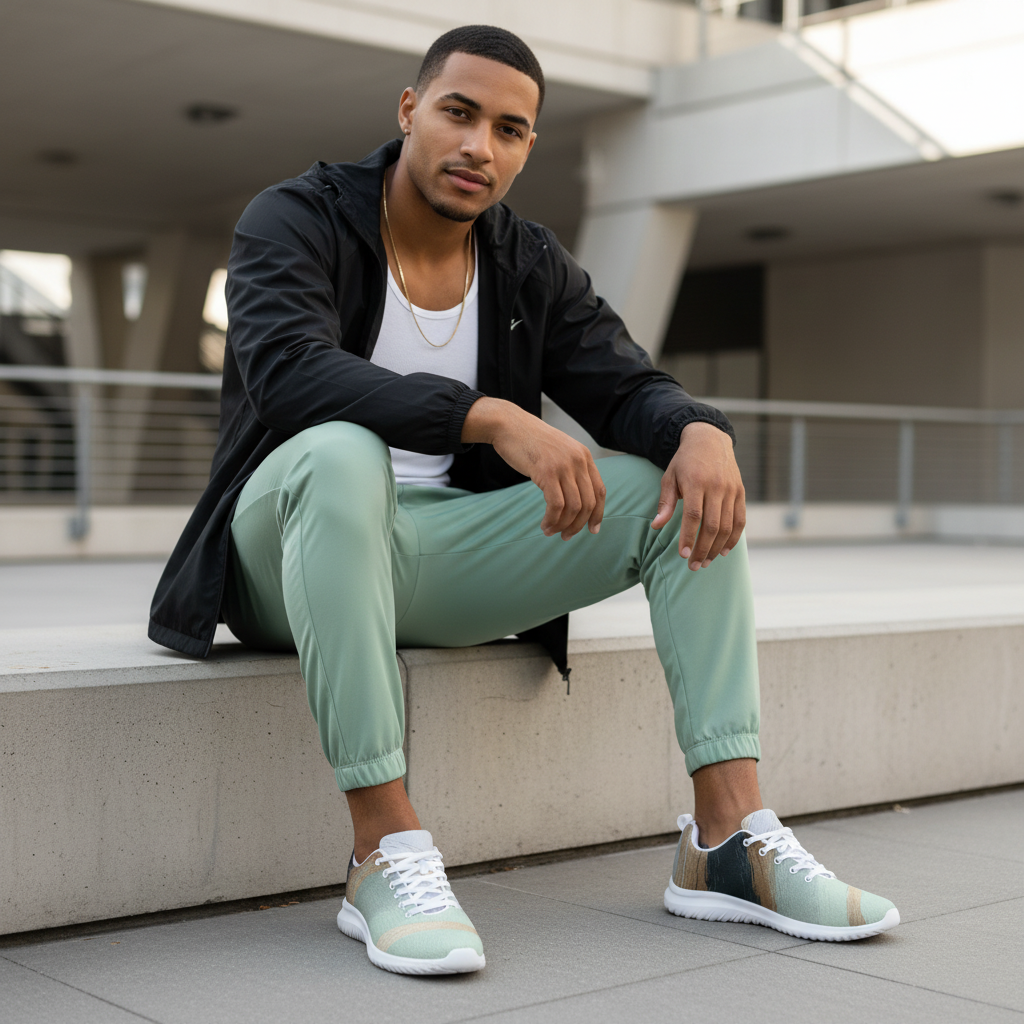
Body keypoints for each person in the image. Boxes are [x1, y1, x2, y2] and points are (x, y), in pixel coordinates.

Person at [149, 24, 899, 976]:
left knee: (664, 488)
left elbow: (625, 386)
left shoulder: (526, 262)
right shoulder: (295, 217)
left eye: (509, 130)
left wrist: (699, 430)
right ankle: (383, 850)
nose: (479, 147)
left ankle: (729, 842)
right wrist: (488, 415)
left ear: (527, 148)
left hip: (436, 561)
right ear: (410, 110)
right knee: (340, 455)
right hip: (284, 561)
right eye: (459, 114)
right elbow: (291, 376)